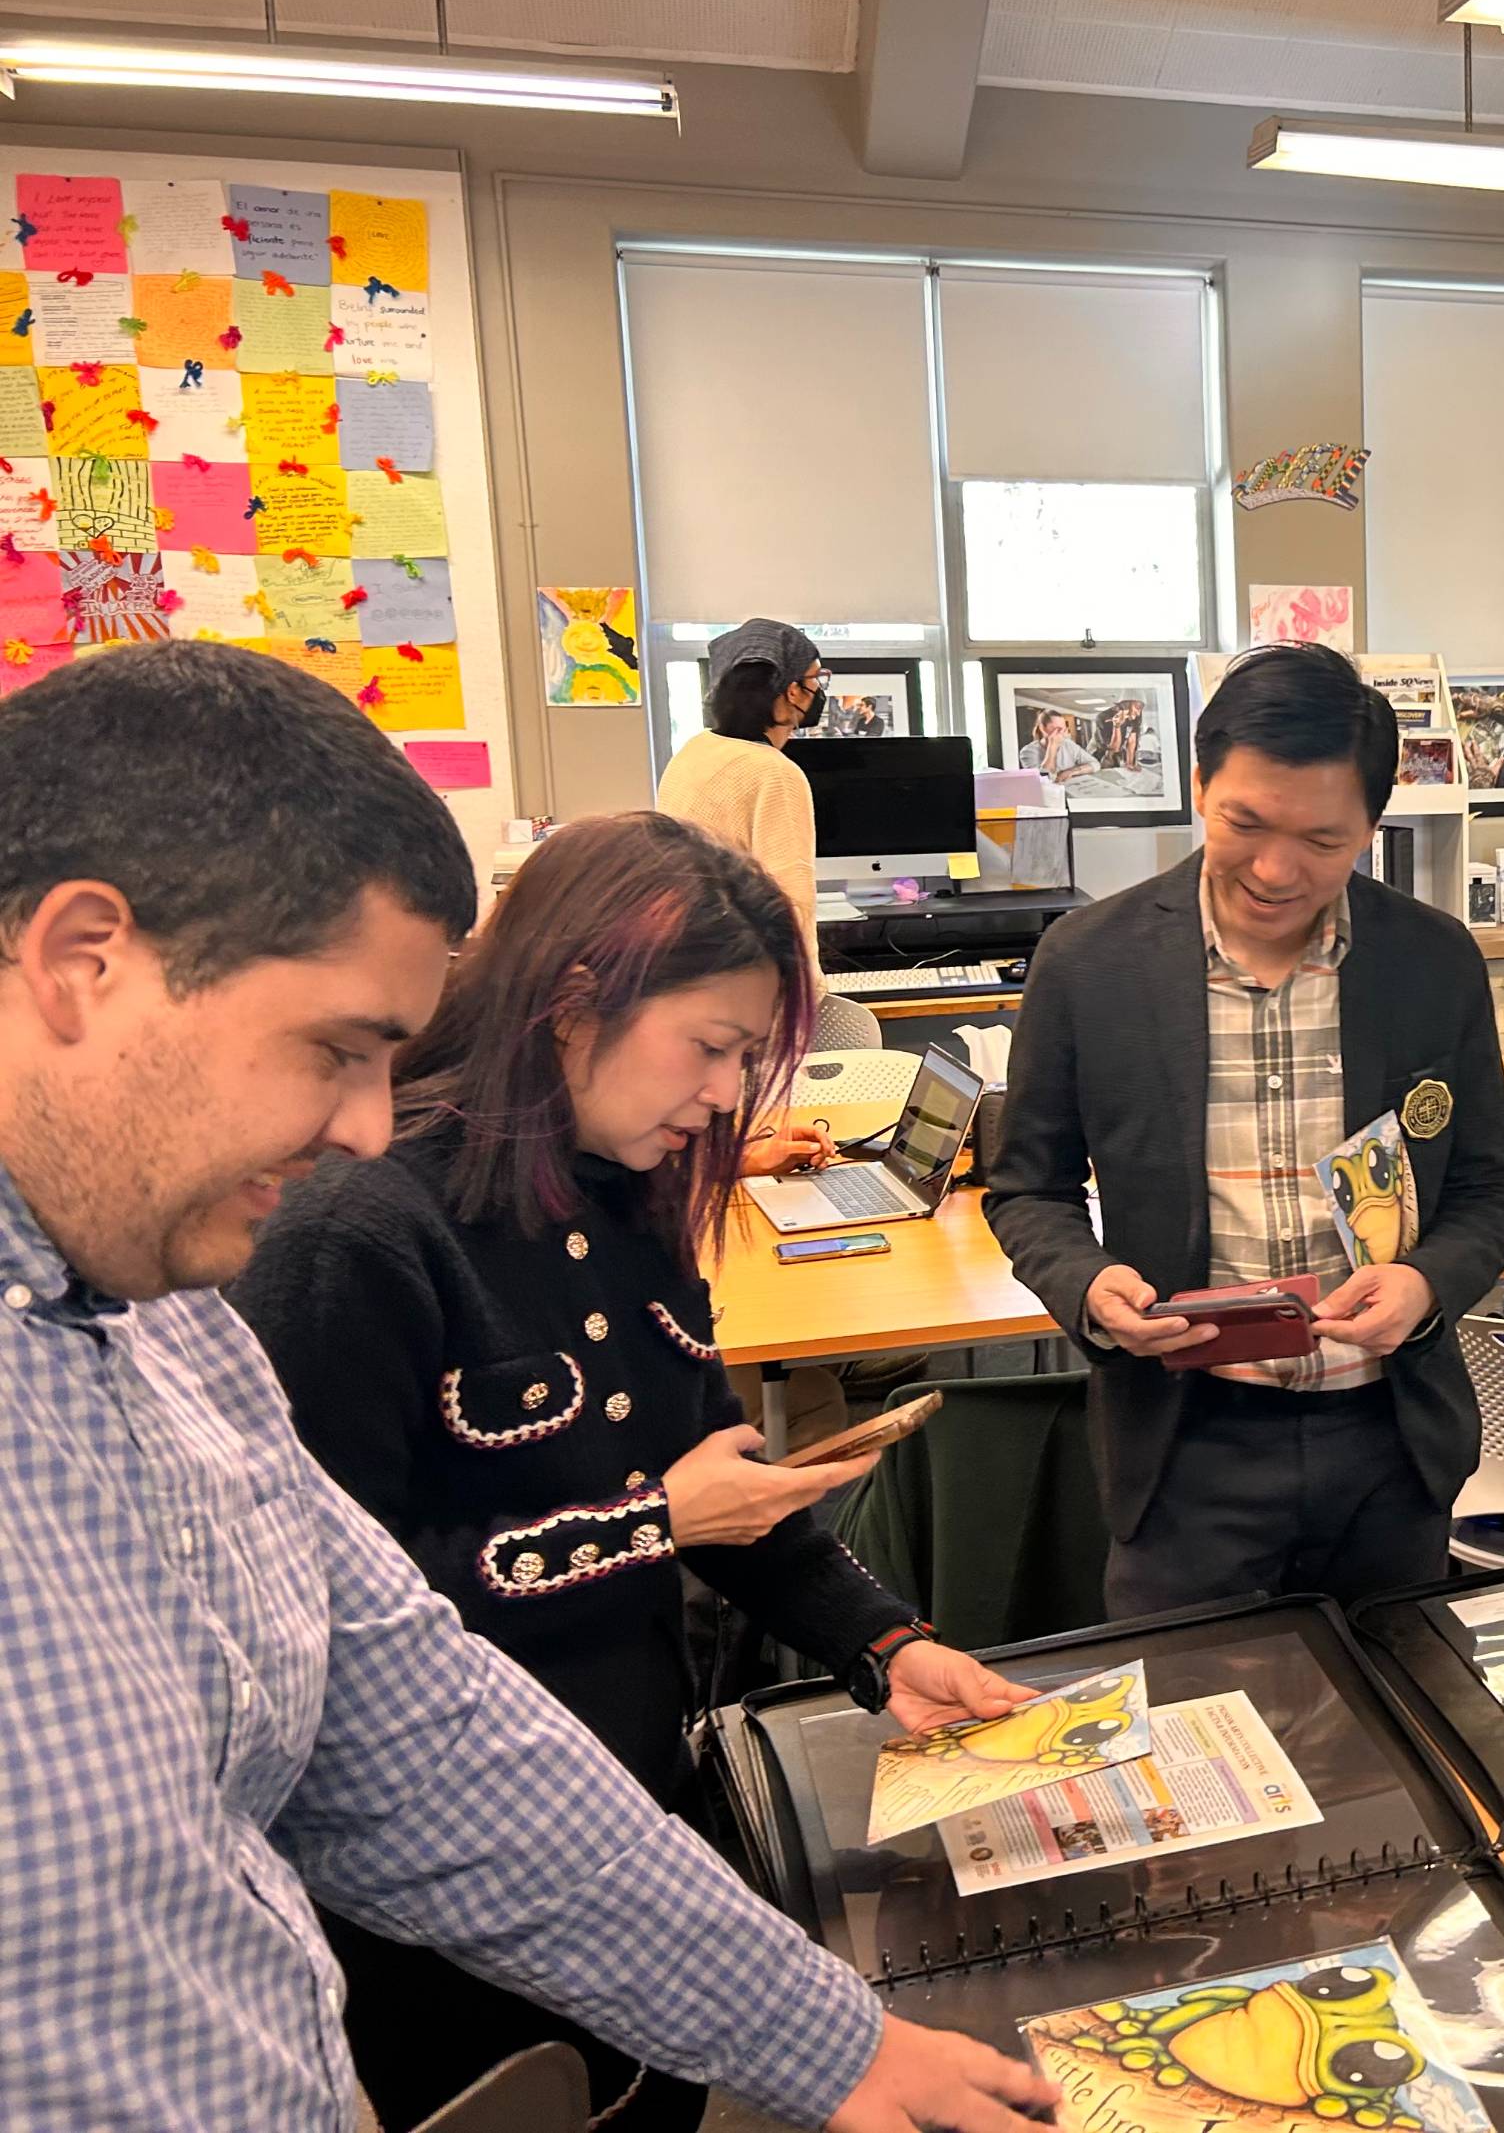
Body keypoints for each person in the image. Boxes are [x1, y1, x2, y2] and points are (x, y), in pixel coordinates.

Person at [0, 644, 1052, 2133]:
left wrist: (832, 2032)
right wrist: (650, 1524)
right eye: (332, 1050)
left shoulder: (171, 1332)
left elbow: (415, 1727)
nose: (365, 1124)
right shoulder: (336, 1238)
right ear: (79, 961)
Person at [230, 810, 1033, 2130]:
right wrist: (650, 1524)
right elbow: (322, 1620)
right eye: (710, 1047)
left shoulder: (631, 1187)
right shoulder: (359, 1231)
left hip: (642, 1815)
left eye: (746, 1058)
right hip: (446, 1900)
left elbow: (725, 1487)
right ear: (572, 1001)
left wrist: (884, 1643)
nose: (726, 1095)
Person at [984, 643, 1504, 1612]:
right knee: (1197, 1706)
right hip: (1185, 1446)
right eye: (1246, 824)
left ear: (1372, 824)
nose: (1276, 871)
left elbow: (1488, 1189)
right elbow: (1029, 1189)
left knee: (1400, 1699)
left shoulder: (1432, 961)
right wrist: (1089, 1283)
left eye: (1322, 840)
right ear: (1200, 787)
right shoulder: (1090, 963)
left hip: (1392, 1442)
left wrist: (1425, 1283)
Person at [655, 617, 831, 994]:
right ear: (792, 691)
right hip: (746, 976)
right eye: (816, 678)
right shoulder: (773, 772)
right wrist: (807, 995)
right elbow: (791, 902)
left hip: (687, 967)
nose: (819, 689)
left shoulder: (694, 751)